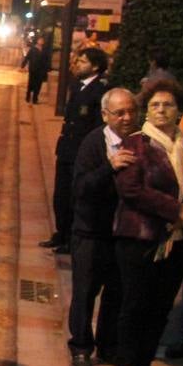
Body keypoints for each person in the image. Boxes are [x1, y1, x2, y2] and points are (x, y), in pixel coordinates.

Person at [112, 80, 183, 366]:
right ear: (147, 110)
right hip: (140, 237)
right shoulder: (136, 144)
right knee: (135, 303)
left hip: (179, 239)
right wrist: (175, 209)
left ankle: (145, 364)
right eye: (155, 105)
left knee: (161, 305)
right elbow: (131, 190)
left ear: (179, 110)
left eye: (168, 105)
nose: (161, 110)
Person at [67, 88, 138, 366]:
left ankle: (108, 346)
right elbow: (80, 188)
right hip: (91, 232)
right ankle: (81, 347)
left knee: (116, 293)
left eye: (132, 111)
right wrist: (109, 167)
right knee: (85, 293)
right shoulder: (93, 143)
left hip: (122, 233)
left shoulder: (140, 143)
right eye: (120, 112)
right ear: (105, 115)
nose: (127, 117)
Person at [41, 48, 109, 253]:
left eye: (83, 62)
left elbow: (98, 128)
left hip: (82, 154)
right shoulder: (77, 86)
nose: (77, 64)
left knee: (74, 197)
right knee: (60, 196)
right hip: (67, 150)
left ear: (95, 66)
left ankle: (71, 240)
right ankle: (60, 233)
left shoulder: (100, 91)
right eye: (77, 61)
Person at [21, 36, 50, 104]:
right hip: (33, 69)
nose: (41, 41)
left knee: (38, 85)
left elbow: (46, 60)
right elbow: (27, 57)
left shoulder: (44, 50)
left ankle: (35, 98)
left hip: (41, 70)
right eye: (40, 40)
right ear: (37, 41)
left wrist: (47, 68)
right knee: (31, 83)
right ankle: (28, 96)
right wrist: (23, 65)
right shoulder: (33, 49)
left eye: (42, 40)